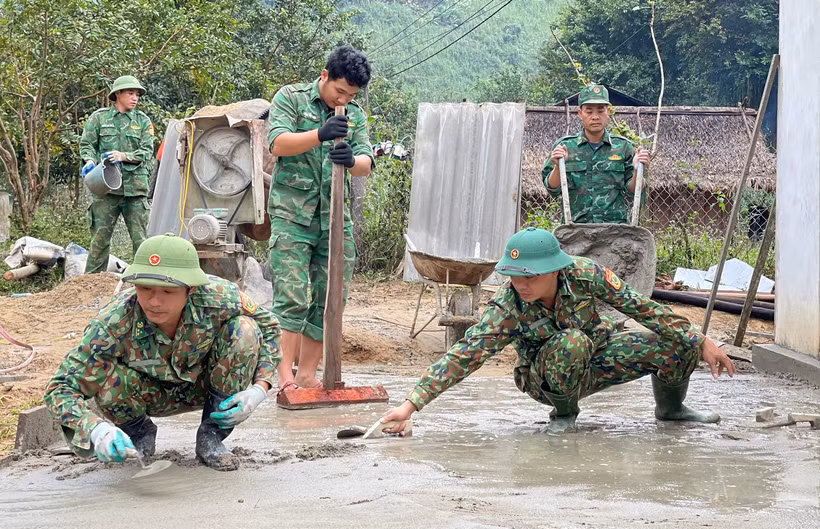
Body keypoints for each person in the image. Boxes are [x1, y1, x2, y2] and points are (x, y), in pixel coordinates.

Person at [380, 227, 735, 435]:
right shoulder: (508, 308)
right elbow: (464, 355)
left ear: (554, 270)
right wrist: (411, 406)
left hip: (598, 355)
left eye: (530, 276)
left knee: (679, 342)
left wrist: (700, 340)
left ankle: (671, 409)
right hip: (546, 377)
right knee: (571, 342)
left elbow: (642, 308)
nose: (521, 284)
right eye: (515, 276)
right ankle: (564, 415)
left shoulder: (585, 273)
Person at [43, 234, 281, 471]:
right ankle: (139, 434)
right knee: (106, 377)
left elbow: (270, 327)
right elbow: (60, 388)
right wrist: (94, 428)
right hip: (147, 394)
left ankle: (211, 436)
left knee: (245, 330)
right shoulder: (113, 322)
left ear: (190, 290)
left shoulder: (219, 297)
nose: (154, 301)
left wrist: (260, 388)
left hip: (207, 386)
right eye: (145, 289)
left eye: (167, 292)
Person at [266, 45, 374, 391]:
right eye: (339, 91)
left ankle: (308, 374)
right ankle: (283, 379)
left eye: (351, 94)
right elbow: (278, 144)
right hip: (292, 216)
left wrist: (349, 159)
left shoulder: (354, 115)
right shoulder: (291, 99)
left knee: (330, 299)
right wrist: (320, 135)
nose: (342, 99)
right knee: (292, 296)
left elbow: (366, 164)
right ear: (325, 76)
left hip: (335, 220)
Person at [542, 84, 650, 224]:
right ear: (580, 114)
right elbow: (552, 189)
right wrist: (557, 166)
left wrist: (637, 170)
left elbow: (633, 191)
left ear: (608, 112)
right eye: (589, 111)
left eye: (600, 111)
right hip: (576, 230)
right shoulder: (564, 147)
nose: (595, 117)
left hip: (615, 230)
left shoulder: (623, 147)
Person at [79, 75, 154, 274]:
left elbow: (146, 152)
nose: (135, 97)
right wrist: (89, 160)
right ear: (117, 94)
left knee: (141, 242)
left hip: (135, 191)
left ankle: (142, 281)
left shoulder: (143, 121)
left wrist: (123, 155)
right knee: (99, 241)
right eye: (130, 93)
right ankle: (91, 286)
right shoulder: (100, 118)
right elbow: (87, 144)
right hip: (105, 189)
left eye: (137, 94)